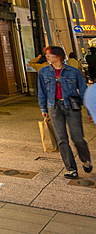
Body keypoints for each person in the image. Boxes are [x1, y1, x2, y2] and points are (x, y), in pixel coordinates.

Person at [38, 45, 92, 179]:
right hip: (54, 107)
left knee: (78, 138)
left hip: (72, 107)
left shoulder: (73, 72)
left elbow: (84, 91)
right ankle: (71, 169)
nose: (47, 56)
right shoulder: (43, 72)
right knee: (62, 139)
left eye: (49, 54)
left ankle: (85, 160)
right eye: (47, 54)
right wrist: (44, 109)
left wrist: (90, 110)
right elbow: (42, 92)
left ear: (59, 56)